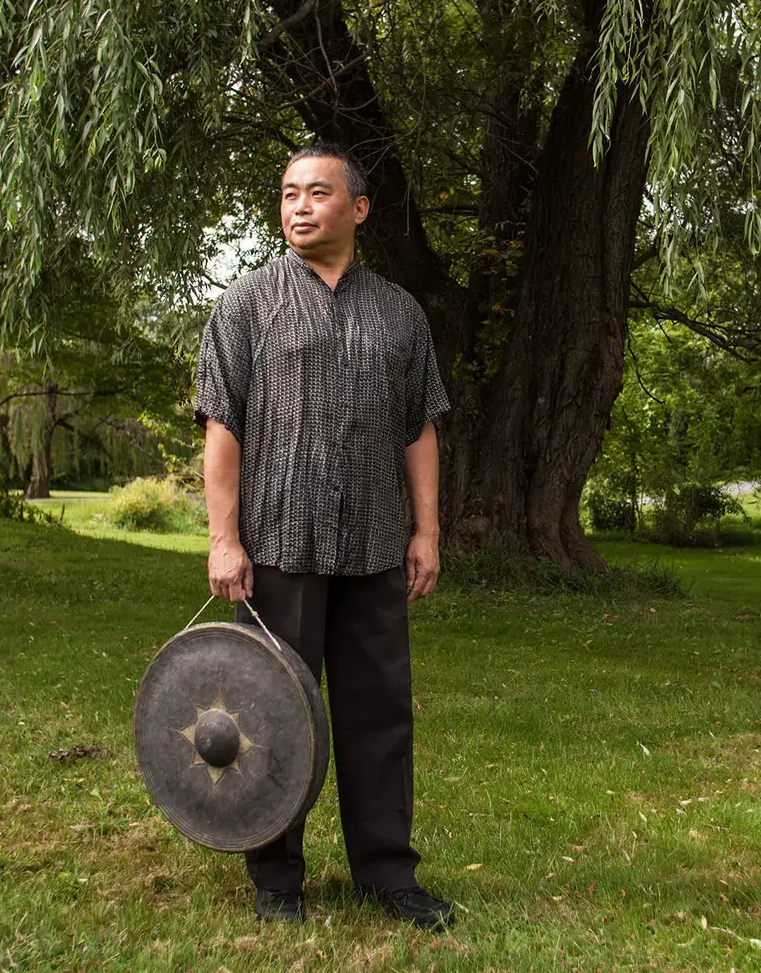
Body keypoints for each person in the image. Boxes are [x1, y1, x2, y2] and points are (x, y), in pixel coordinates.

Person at [193, 142, 454, 930]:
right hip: (278, 549)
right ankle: (277, 880)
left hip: (375, 546)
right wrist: (224, 539)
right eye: (287, 194)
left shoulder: (400, 314)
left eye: (317, 193)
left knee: (380, 715)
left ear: (359, 209)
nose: (299, 207)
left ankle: (387, 873)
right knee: (272, 717)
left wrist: (427, 531)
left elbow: (419, 428)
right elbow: (221, 425)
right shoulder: (248, 303)